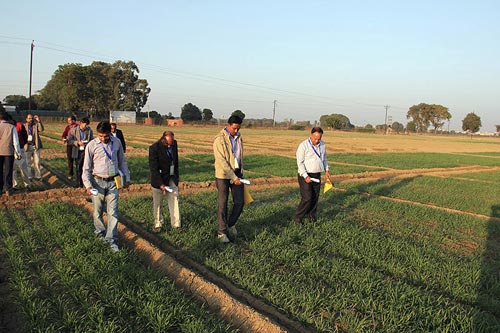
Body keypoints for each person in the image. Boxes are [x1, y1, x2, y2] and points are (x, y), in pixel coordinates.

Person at [82, 121, 130, 252]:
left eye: (106, 136)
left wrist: (126, 178)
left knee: (113, 212)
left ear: (111, 132)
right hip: (97, 182)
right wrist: (87, 185)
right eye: (100, 136)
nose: (103, 138)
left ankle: (111, 240)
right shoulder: (92, 145)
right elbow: (86, 167)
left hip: (113, 182)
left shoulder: (117, 143)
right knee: (98, 210)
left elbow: (122, 162)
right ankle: (99, 233)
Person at [213, 115, 245, 243]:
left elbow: (240, 156)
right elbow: (221, 161)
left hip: (237, 173)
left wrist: (240, 173)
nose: (236, 131)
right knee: (223, 203)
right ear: (228, 125)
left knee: (240, 202)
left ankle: (230, 224)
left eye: (238, 128)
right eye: (234, 128)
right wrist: (233, 176)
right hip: (223, 175)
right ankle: (221, 232)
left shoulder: (239, 137)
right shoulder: (219, 140)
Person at [294, 127, 331, 225]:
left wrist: (327, 169)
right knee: (307, 198)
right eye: (315, 138)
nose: (317, 140)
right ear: (311, 135)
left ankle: (312, 216)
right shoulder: (303, 146)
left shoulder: (322, 145)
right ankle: (298, 217)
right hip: (305, 175)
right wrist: (305, 176)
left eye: (319, 138)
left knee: (315, 197)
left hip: (317, 174)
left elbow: (324, 158)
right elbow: (300, 163)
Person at [149, 130, 181, 232]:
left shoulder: (174, 144)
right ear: (163, 139)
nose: (170, 145)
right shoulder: (154, 148)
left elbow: (176, 161)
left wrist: (176, 176)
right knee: (158, 203)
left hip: (171, 177)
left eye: (171, 142)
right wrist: (160, 183)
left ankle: (176, 225)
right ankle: (158, 224)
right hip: (158, 178)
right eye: (168, 143)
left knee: (175, 199)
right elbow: (153, 168)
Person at [0, 111, 23, 196]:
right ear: (7, 119)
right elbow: (15, 142)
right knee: (8, 171)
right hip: (8, 152)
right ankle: (8, 189)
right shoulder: (12, 127)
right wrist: (18, 152)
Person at [67, 117, 93, 188]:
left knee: (86, 167)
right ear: (81, 123)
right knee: (78, 167)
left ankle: (86, 183)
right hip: (77, 150)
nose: (86, 126)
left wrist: (87, 144)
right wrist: (77, 142)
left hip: (85, 150)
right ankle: (79, 183)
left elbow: (91, 140)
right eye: (85, 124)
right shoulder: (74, 130)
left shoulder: (89, 130)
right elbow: (69, 141)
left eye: (87, 125)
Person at [24, 113, 44, 180]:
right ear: (26, 119)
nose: (31, 119)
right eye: (29, 118)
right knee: (28, 162)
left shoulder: (36, 125)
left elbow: (41, 129)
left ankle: (38, 176)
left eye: (32, 118)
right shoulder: (24, 126)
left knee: (37, 162)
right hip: (27, 146)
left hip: (35, 146)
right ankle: (29, 176)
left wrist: (39, 121)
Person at [12, 116, 31, 189]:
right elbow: (25, 136)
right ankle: (16, 184)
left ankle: (25, 184)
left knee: (21, 167)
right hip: (16, 149)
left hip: (17, 149)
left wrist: (22, 144)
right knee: (18, 168)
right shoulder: (18, 125)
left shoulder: (19, 125)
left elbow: (25, 136)